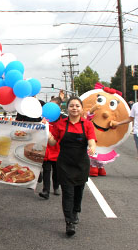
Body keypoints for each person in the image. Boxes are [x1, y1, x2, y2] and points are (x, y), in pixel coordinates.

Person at [48, 96, 96, 237]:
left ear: (81, 109)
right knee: (68, 192)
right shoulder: (61, 124)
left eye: (77, 106)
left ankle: (75, 212)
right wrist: (48, 134)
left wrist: (92, 147)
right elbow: (52, 143)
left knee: (78, 191)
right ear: (67, 108)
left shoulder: (87, 124)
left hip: (81, 163)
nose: (74, 108)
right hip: (64, 163)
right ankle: (69, 222)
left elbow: (92, 140)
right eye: (71, 106)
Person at [39, 97, 65, 199]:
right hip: (46, 148)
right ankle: (46, 190)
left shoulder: (63, 119)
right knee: (46, 169)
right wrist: (42, 123)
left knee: (57, 170)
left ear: (59, 107)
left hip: (58, 148)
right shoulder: (44, 118)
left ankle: (56, 186)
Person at [16, 99, 45, 188]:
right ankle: (33, 175)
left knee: (37, 154)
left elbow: (47, 118)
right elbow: (17, 122)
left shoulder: (42, 104)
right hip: (26, 135)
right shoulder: (22, 107)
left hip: (39, 134)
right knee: (28, 156)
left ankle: (38, 172)